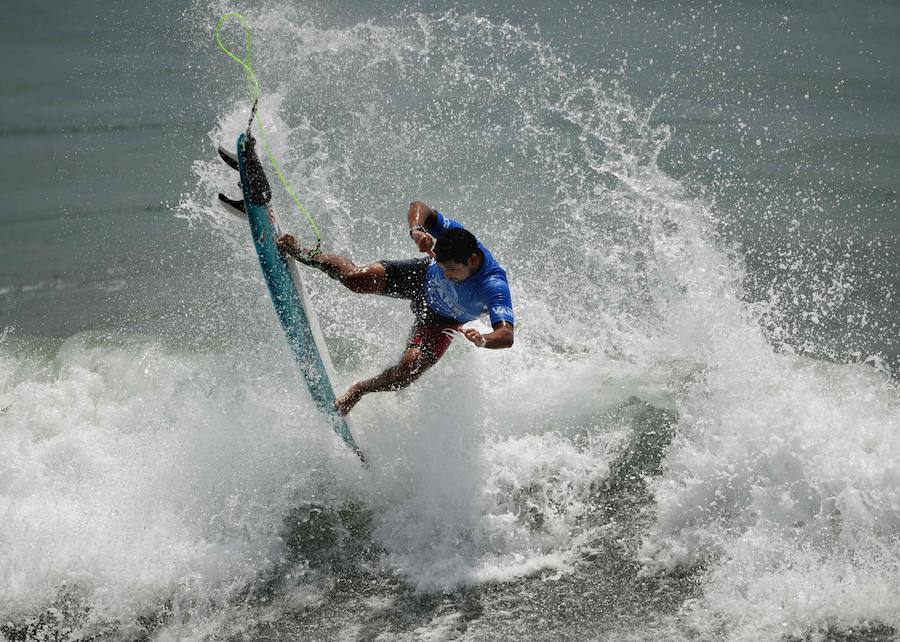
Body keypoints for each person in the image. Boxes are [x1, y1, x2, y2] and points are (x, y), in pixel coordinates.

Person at [276, 201, 515, 416]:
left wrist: (483, 339)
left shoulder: (493, 285)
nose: (447, 275)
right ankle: (305, 253)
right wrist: (417, 231)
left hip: (442, 319)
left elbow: (506, 335)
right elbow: (419, 207)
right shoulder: (454, 238)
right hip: (421, 278)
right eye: (443, 268)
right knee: (354, 278)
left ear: (472, 261)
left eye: (452, 270)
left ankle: (359, 389)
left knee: (406, 373)